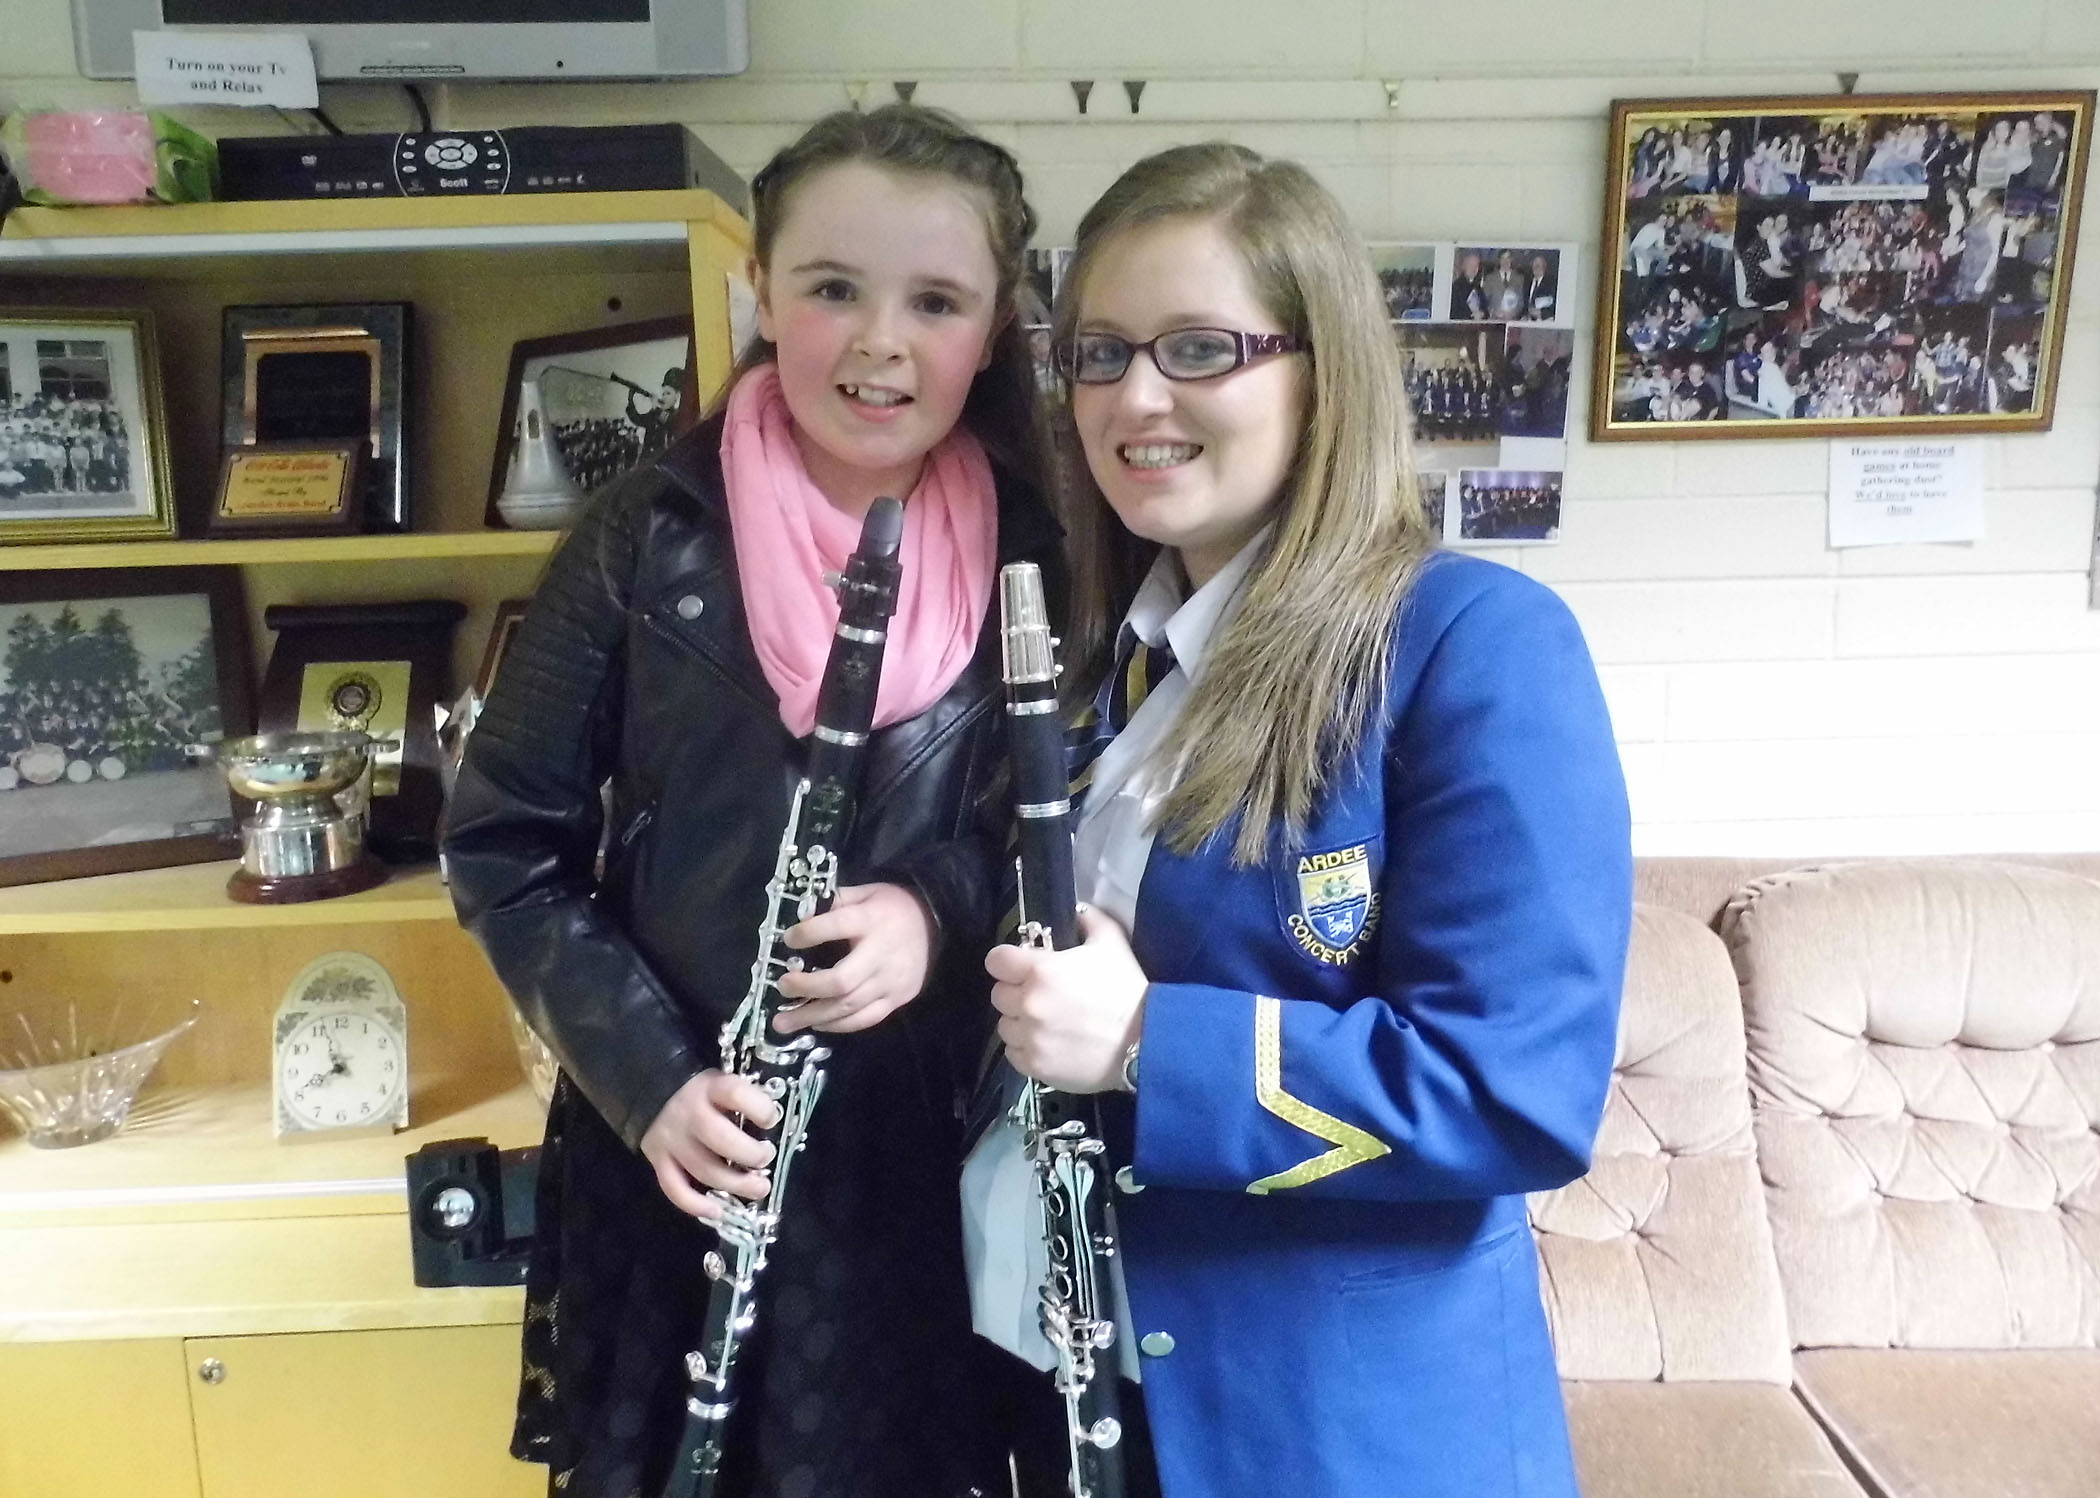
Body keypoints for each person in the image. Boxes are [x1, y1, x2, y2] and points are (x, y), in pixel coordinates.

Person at [966, 143, 1631, 1498]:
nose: (1135, 397)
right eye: (1099, 353)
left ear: (1322, 372)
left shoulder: (1476, 645)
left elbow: (1513, 1096)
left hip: (1329, 1438)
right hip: (1076, 1390)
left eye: (1199, 347)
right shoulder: (1116, 666)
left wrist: (1148, 1041)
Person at [443, 104, 1061, 1498]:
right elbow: (501, 843)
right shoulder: (641, 535)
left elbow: (1052, 832)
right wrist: (649, 1076)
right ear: (761, 294)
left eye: (936, 301)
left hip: (914, 1167)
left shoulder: (1037, 551)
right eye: (834, 287)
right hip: (689, 1151)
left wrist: (932, 911)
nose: (881, 342)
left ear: (991, 329)